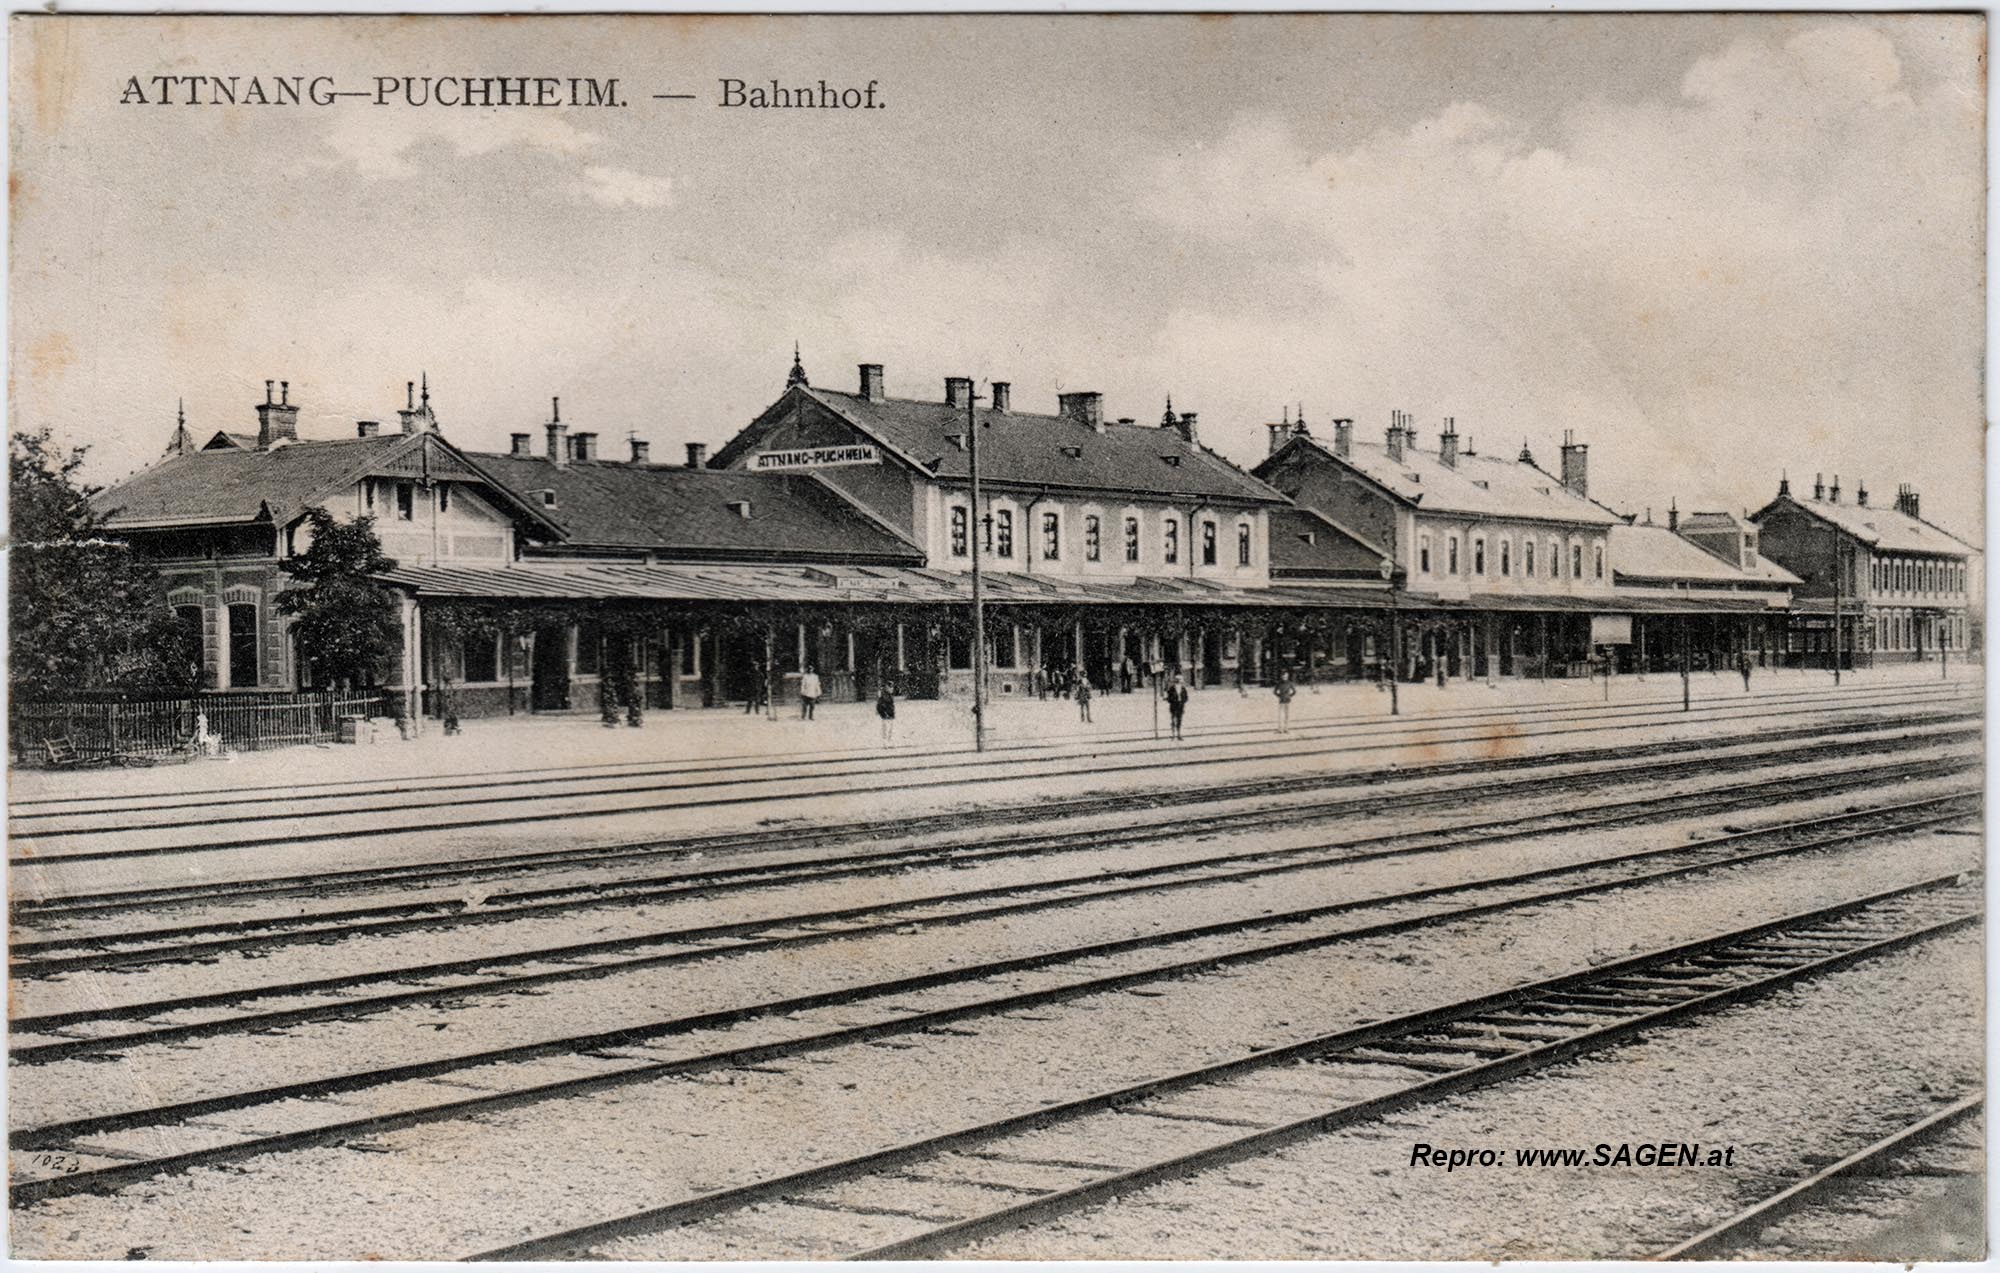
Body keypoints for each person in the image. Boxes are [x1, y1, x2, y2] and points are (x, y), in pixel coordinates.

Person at [1165, 673, 1189, 741]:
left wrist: (1182, 701)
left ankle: (1179, 734)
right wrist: (1173, 701)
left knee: (1179, 720)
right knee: (1173, 720)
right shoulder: (1172, 688)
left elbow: (1186, 697)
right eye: (1179, 680)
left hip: (1180, 706)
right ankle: (1173, 734)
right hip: (1173, 706)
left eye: (1180, 680)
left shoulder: (1183, 688)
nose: (1180, 681)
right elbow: (1169, 698)